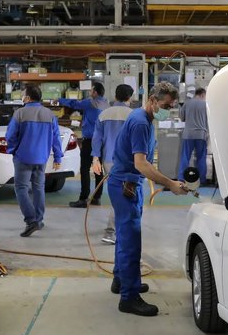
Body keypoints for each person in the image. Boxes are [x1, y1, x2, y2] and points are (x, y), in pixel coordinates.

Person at [108, 81, 187, 316]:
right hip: (126, 186)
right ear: (152, 100)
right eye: (166, 106)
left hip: (127, 183)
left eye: (171, 107)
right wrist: (170, 184)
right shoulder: (141, 123)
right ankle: (129, 297)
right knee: (130, 241)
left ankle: (121, 280)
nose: (168, 110)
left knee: (124, 236)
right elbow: (141, 164)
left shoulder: (143, 118)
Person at [6, 84, 63, 237]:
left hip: (23, 157)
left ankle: (31, 220)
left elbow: (10, 136)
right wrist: (57, 157)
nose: (22, 96)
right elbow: (56, 138)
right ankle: (38, 219)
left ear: (28, 98)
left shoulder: (20, 113)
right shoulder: (50, 114)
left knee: (21, 188)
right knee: (38, 188)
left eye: (23, 94)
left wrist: (13, 150)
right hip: (42, 158)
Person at [91, 84, 134, 245]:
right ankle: (111, 232)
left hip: (108, 160)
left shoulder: (104, 114)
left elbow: (97, 138)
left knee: (118, 194)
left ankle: (118, 228)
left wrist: (95, 159)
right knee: (124, 196)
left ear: (115, 96)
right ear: (130, 98)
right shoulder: (133, 115)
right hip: (128, 161)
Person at [57, 82, 109, 208]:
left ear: (95, 92)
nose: (90, 92)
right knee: (98, 169)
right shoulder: (106, 104)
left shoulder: (90, 102)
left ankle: (83, 198)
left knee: (84, 169)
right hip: (102, 141)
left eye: (91, 90)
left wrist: (59, 100)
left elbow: (74, 104)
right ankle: (97, 197)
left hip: (90, 140)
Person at [178, 87, 208, 182]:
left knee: (185, 156)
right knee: (201, 157)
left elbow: (182, 118)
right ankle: (202, 179)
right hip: (201, 135)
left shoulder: (187, 103)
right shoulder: (206, 104)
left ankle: (181, 178)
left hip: (188, 134)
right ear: (202, 95)